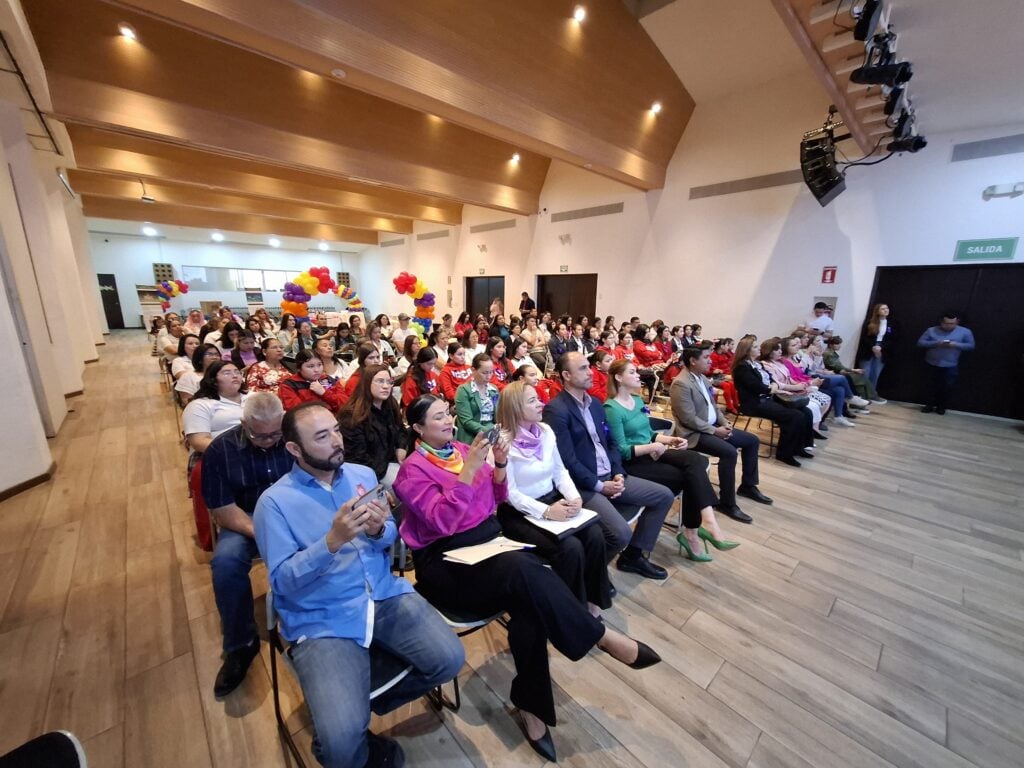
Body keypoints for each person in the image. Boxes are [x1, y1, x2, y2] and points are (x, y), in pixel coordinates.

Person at [394, 395, 660, 761]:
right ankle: (600, 636)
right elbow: (442, 522)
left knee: (530, 594)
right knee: (524, 570)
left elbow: (498, 495)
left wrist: (499, 464)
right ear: (418, 428)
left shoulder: (459, 449)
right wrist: (471, 468)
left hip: (488, 543)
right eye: (437, 417)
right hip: (446, 562)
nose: (447, 420)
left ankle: (532, 707)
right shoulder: (411, 471)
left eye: (447, 413)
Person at [254, 403, 465, 768]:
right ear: (294, 449)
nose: (337, 441)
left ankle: (354, 714)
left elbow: (390, 539)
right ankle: (346, 731)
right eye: (322, 437)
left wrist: (379, 529)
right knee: (338, 750)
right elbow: (281, 583)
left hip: (383, 595)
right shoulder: (274, 503)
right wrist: (330, 543)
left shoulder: (360, 474)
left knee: (450, 660)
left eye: (335, 430)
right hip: (324, 619)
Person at [543, 352, 675, 578]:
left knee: (664, 496)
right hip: (584, 485)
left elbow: (611, 443)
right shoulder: (557, 410)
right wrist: (599, 485)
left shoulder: (595, 404)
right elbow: (566, 460)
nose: (590, 372)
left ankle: (632, 557)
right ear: (566, 375)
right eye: (583, 368)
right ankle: (592, 577)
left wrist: (618, 473)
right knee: (621, 533)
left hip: (610, 475)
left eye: (589, 367)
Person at [201, 393, 293, 697]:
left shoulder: (293, 438)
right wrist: (262, 531)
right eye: (258, 434)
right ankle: (240, 644)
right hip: (245, 517)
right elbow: (222, 508)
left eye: (275, 434)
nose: (268, 441)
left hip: (291, 509)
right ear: (244, 424)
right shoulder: (220, 450)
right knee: (226, 562)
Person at [604, 360, 737, 561]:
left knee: (696, 461)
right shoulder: (612, 408)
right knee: (691, 476)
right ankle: (697, 529)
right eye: (632, 372)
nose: (639, 375)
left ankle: (702, 525)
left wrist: (671, 439)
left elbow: (649, 434)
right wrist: (653, 447)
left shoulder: (637, 401)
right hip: (633, 462)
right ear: (618, 377)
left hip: (651, 452)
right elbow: (621, 451)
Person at [496, 381, 611, 611]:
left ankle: (593, 600)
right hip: (520, 512)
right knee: (571, 549)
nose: (541, 404)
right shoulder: (501, 442)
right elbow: (510, 493)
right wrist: (546, 512)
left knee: (596, 535)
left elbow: (560, 471)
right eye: (532, 401)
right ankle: (571, 610)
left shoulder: (545, 431)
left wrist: (574, 497)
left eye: (538, 399)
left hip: (552, 499)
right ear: (516, 408)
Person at [672, 347, 772, 523]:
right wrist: (715, 431)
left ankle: (748, 485)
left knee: (752, 441)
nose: (710, 360)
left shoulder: (702, 378)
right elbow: (687, 419)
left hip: (713, 426)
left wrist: (724, 423)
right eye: (706, 357)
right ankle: (727, 503)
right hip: (693, 434)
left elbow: (714, 407)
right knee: (729, 452)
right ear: (693, 361)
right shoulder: (681, 383)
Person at [182, 360, 249, 550]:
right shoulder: (202, 405)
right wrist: (236, 451)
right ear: (213, 379)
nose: (235, 375)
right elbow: (199, 441)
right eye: (227, 373)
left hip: (260, 448)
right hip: (219, 455)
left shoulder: (252, 397)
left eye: (237, 371)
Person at [731, 337, 814, 467]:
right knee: (794, 416)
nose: (759, 349)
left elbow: (771, 380)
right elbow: (758, 387)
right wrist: (771, 388)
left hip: (767, 398)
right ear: (747, 351)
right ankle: (784, 453)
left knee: (805, 411)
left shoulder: (757, 364)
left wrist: (772, 387)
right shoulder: (742, 367)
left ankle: (799, 447)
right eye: (755, 347)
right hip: (754, 404)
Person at [338, 365, 408, 484]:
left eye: (389, 382)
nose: (386, 386)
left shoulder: (390, 405)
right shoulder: (352, 416)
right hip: (371, 471)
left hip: (390, 461)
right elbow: (356, 458)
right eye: (380, 381)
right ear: (367, 383)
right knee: (406, 483)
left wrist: (401, 447)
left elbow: (401, 429)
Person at [761, 338, 830, 436]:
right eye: (794, 345)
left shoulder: (780, 362)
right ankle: (808, 433)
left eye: (781, 349)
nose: (799, 345)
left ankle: (811, 432)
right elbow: (777, 384)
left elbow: (792, 377)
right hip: (780, 395)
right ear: (769, 351)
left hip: (792, 389)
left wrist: (804, 385)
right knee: (808, 409)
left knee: (829, 394)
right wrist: (802, 386)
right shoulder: (768, 364)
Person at [916, 311, 975, 414]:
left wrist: (956, 345)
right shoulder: (931, 330)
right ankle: (929, 405)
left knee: (946, 387)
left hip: (950, 365)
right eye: (947, 323)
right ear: (941, 322)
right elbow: (920, 343)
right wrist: (936, 343)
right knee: (930, 386)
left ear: (957, 322)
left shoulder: (965, 332)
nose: (949, 326)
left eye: (952, 323)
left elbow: (971, 346)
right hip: (931, 363)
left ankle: (941, 407)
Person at [278, 350, 349, 413]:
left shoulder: (328, 379)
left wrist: (324, 393)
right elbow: (298, 413)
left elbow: (345, 403)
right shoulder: (289, 385)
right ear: (299, 368)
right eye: (310, 366)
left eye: (319, 365)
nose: (317, 370)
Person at [454, 353, 499, 443]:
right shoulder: (463, 390)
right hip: (471, 435)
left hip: (492, 431)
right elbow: (466, 421)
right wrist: (489, 432)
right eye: (485, 373)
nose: (489, 376)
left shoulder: (494, 390)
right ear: (473, 370)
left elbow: (498, 416)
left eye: (491, 372)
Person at [823, 336, 881, 403]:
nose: (839, 346)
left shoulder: (831, 353)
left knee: (860, 378)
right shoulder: (829, 354)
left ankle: (866, 399)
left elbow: (838, 367)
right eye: (837, 344)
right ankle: (870, 396)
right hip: (834, 373)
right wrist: (853, 370)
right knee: (859, 378)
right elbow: (838, 367)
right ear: (831, 345)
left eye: (839, 344)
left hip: (838, 372)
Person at [857, 303, 893, 401]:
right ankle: (862, 396)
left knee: (875, 373)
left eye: (887, 308)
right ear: (877, 311)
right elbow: (864, 337)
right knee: (865, 372)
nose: (886, 310)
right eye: (883, 308)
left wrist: (881, 347)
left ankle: (872, 394)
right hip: (868, 349)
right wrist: (873, 346)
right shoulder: (870, 322)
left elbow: (892, 339)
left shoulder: (892, 323)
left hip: (882, 350)